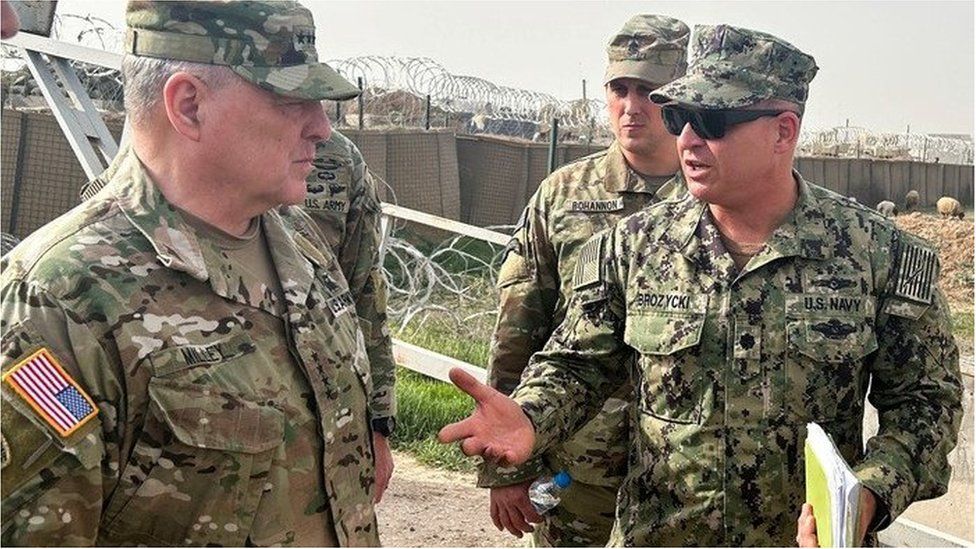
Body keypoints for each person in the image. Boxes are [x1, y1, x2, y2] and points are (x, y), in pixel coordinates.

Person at [439, 23, 963, 547]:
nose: (687, 138)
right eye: (679, 116)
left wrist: (870, 491)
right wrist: (530, 416)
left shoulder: (877, 255)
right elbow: (578, 364)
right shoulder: (634, 246)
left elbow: (926, 403)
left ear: (783, 131)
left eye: (711, 120)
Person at [1, 1, 382, 545]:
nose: (321, 127)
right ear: (189, 105)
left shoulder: (303, 246)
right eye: (291, 99)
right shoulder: (59, 302)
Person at [480, 14, 689, 546]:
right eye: (620, 88)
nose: (632, 106)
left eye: (651, 91)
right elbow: (517, 331)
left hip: (684, 480)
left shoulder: (715, 196)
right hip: (579, 467)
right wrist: (506, 466)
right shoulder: (564, 196)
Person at [304, 130, 397, 502]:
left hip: (321, 412)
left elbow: (364, 297)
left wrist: (378, 424)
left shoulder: (338, 158)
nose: (316, 122)